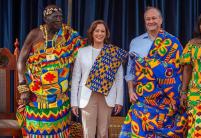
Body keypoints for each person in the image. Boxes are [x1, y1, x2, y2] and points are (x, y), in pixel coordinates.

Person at [16, 5, 86, 137]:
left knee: (60, 131)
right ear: (46, 19)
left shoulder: (67, 34)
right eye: (55, 17)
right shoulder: (35, 34)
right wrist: (22, 86)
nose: (59, 20)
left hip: (60, 95)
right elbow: (21, 61)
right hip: (37, 94)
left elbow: (83, 50)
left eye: (61, 17)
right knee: (37, 130)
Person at [120, 7, 186, 137]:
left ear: (160, 20)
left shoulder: (173, 42)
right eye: (148, 19)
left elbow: (181, 69)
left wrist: (180, 93)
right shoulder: (136, 42)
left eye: (154, 18)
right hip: (143, 97)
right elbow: (131, 69)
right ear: (144, 22)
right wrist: (130, 90)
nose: (151, 21)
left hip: (167, 100)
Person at [71, 20, 126, 138]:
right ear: (92, 33)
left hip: (107, 96)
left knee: (103, 132)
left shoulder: (113, 52)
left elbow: (119, 78)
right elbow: (75, 78)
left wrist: (119, 100)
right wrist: (74, 103)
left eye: (102, 31)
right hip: (87, 96)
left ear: (106, 34)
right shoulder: (81, 52)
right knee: (88, 132)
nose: (99, 34)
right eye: (97, 31)